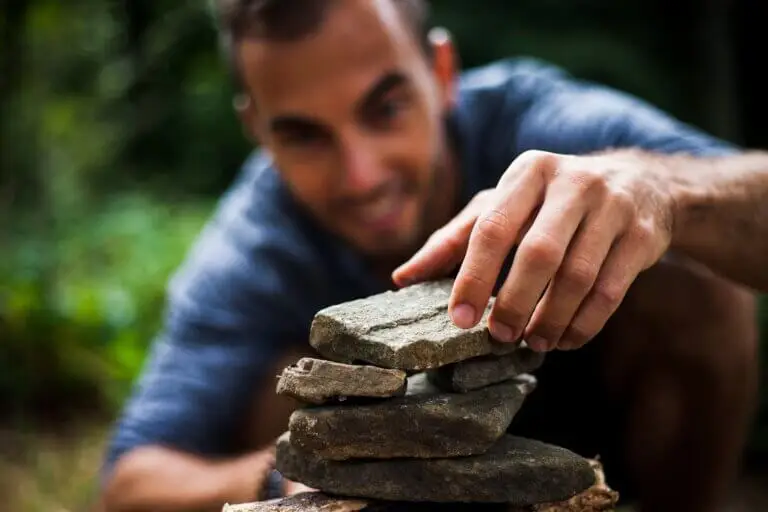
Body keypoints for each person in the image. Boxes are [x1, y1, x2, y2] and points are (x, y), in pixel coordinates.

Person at [97, 0, 768, 511]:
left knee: (694, 269)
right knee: (286, 384)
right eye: (303, 136)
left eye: (385, 108)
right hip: (383, 497)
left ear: (441, 72)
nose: (360, 176)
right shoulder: (256, 245)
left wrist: (670, 193)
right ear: (257, 131)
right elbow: (131, 479)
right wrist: (299, 465)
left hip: (609, 438)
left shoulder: (541, 123)